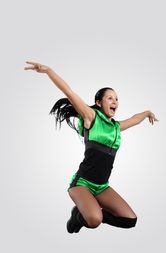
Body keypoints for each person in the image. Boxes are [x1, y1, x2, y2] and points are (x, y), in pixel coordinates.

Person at [24, 61, 158, 233]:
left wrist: (147, 113)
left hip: (102, 186)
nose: (115, 101)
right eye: (110, 98)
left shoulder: (116, 127)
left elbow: (134, 119)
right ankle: (80, 216)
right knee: (94, 220)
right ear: (99, 102)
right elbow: (69, 92)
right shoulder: (91, 116)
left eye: (117, 99)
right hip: (82, 183)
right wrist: (49, 71)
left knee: (130, 220)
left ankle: (88, 210)